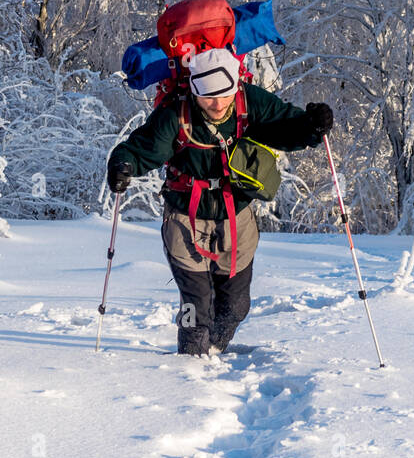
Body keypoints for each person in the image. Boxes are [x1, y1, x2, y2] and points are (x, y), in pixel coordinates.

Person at [106, 46, 332, 357]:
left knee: (236, 306)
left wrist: (311, 126)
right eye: (208, 97)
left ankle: (216, 348)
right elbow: (140, 147)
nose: (217, 103)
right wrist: (122, 165)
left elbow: (284, 125)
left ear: (235, 85)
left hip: (236, 218)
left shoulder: (247, 101)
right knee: (195, 307)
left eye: (224, 95)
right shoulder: (176, 113)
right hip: (185, 219)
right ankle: (190, 364)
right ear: (194, 89)